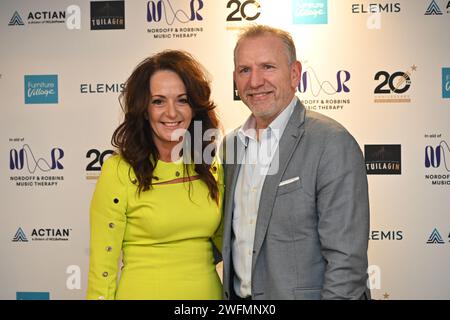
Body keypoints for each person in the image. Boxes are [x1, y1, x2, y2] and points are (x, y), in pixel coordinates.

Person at [221, 25, 371, 300]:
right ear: (235, 78)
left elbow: (346, 262)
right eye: (245, 70)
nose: (255, 81)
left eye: (267, 67)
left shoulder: (331, 143)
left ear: (294, 74)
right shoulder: (231, 145)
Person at [87, 50, 224, 300]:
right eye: (158, 101)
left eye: (182, 100)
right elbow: (102, 267)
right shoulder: (118, 171)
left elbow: (230, 243)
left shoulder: (210, 166)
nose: (172, 113)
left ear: (195, 107)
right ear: (143, 109)